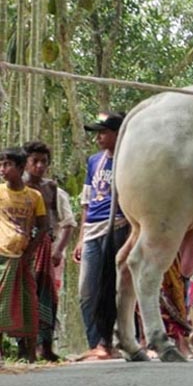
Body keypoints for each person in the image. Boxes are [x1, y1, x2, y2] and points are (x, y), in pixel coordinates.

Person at [72, 112, 129, 360]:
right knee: (86, 290)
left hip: (116, 226)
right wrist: (80, 236)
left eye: (104, 132)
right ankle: (96, 342)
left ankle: (113, 342)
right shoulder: (93, 161)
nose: (99, 137)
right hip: (92, 230)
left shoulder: (129, 160)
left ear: (118, 134)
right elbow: (86, 202)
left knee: (113, 287)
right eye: (98, 133)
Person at [22, 141, 76, 362]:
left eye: (43, 161)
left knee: (49, 298)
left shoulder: (53, 189)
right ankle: (24, 346)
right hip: (22, 251)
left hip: (49, 253)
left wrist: (58, 251)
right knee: (24, 297)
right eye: (34, 161)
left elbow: (68, 223)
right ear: (24, 163)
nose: (39, 166)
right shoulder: (14, 188)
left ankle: (46, 345)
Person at [0, 147, 48, 363]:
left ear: (20, 168)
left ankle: (30, 355)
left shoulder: (34, 196)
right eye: (1, 165)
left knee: (28, 302)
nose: (2, 169)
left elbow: (43, 227)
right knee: (1, 301)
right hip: (2, 256)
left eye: (7, 165)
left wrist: (30, 252)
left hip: (22, 259)